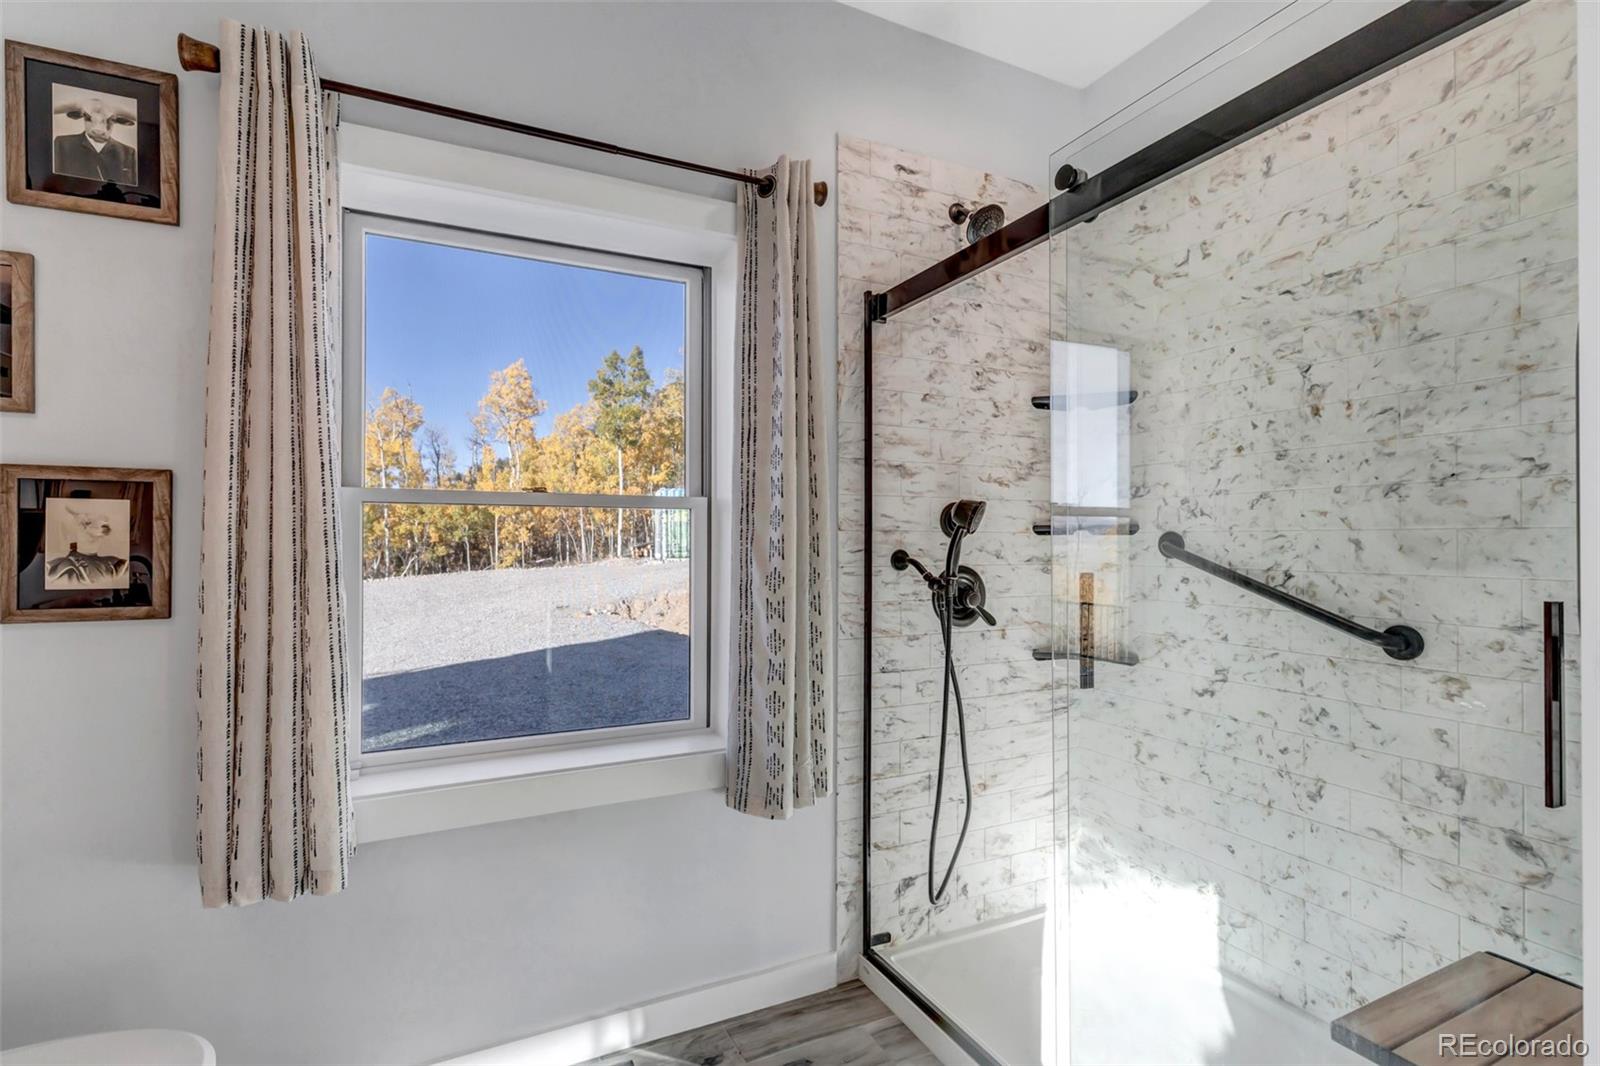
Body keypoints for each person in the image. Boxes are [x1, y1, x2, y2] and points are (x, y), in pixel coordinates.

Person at [52, 94, 137, 186]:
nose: (98, 129)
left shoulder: (127, 152)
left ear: (118, 121)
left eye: (110, 120)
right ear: (81, 117)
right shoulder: (63, 144)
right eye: (88, 118)